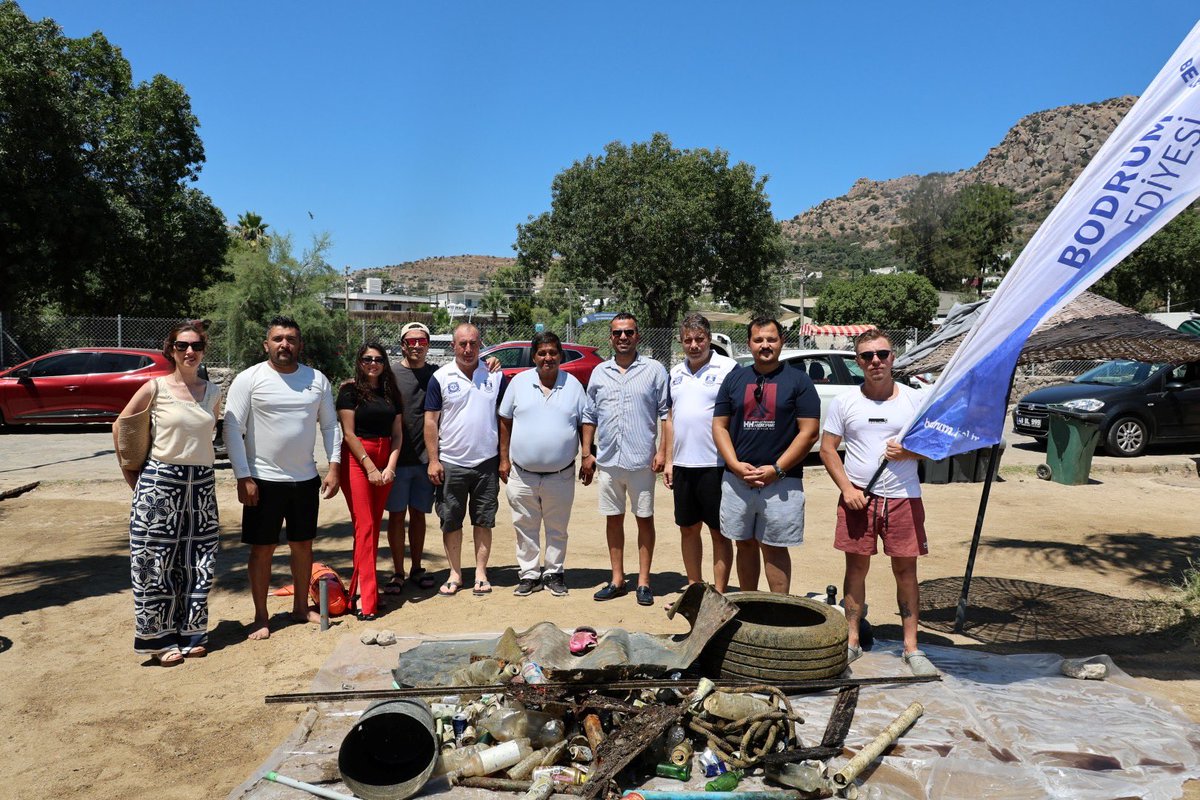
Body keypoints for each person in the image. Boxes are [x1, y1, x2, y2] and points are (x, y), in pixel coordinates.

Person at [819, 329, 937, 677]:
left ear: (893, 358)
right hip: (859, 499)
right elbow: (828, 449)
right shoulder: (845, 402)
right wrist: (846, 489)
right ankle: (852, 641)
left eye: (882, 354)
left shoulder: (915, 400)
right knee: (855, 569)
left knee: (906, 571)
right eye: (867, 356)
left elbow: (934, 446)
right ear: (858, 362)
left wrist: (908, 451)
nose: (875, 362)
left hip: (904, 499)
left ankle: (911, 647)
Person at [224, 316, 342, 640]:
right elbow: (233, 428)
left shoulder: (316, 380)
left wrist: (334, 466)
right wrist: (242, 476)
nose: (284, 344)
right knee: (262, 549)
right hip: (262, 479)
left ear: (300, 345)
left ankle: (301, 608)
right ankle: (261, 616)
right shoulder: (249, 379)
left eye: (291, 339)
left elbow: (331, 426)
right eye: (278, 338)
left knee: (303, 546)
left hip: (304, 480)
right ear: (267, 344)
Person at [116, 320, 221, 665]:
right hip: (160, 485)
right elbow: (122, 427)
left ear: (203, 350)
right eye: (181, 346)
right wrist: (135, 477)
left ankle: (192, 632)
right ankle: (159, 639)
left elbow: (207, 435)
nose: (189, 352)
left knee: (198, 561)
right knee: (154, 563)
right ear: (171, 350)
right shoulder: (155, 388)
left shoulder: (214, 392)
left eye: (195, 346)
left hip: (201, 486)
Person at [713, 317, 820, 594]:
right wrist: (735, 466)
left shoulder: (799, 381)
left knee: (774, 547)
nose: (765, 345)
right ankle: (749, 605)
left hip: (782, 482)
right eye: (758, 340)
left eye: (771, 339)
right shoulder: (735, 378)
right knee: (744, 543)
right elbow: (719, 426)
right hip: (738, 481)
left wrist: (777, 469)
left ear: (781, 341)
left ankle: (778, 611)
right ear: (749, 343)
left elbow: (809, 432)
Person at [581, 313, 669, 606]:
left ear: (637, 336)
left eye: (628, 332)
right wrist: (586, 452)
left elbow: (665, 414)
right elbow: (589, 416)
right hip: (607, 461)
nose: (623, 337)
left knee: (644, 519)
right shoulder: (599, 373)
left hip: (642, 461)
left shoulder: (654, 370)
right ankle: (617, 579)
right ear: (610, 337)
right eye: (617, 333)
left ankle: (643, 582)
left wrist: (662, 452)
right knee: (613, 520)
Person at [498, 331, 594, 597]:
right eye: (542, 353)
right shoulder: (518, 382)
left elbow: (585, 421)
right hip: (522, 473)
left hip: (560, 474)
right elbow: (505, 420)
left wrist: (587, 454)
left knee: (557, 528)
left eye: (553, 352)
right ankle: (529, 574)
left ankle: (554, 573)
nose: (547, 358)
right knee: (524, 526)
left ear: (560, 356)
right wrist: (503, 458)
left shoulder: (573, 385)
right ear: (534, 356)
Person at [424, 322, 506, 597]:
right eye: (462, 344)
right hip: (451, 463)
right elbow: (431, 421)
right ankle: (455, 573)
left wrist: (504, 458)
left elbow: (505, 418)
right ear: (453, 346)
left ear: (480, 344)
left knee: (484, 520)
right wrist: (434, 461)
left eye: (473, 343)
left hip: (486, 463)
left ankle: (481, 573)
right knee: (451, 520)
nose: (468, 349)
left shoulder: (495, 374)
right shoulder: (441, 377)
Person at [663, 313, 738, 592]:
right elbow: (670, 418)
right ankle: (694, 588)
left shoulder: (729, 369)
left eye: (699, 339)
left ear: (709, 339)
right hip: (683, 466)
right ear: (681, 342)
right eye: (688, 340)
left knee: (719, 532)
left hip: (716, 465)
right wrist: (670, 461)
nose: (694, 345)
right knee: (688, 528)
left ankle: (719, 592)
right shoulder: (675, 373)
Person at [337, 342, 404, 621]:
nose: (373, 364)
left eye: (378, 359)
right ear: (359, 361)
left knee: (373, 527)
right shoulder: (349, 391)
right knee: (364, 526)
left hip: (384, 457)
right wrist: (370, 467)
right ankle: (367, 598)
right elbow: (349, 434)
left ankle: (357, 592)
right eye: (367, 359)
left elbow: (397, 434)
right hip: (358, 458)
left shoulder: (390, 392)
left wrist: (389, 467)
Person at [382, 322, 438, 594]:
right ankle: (397, 572)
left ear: (428, 344)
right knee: (396, 516)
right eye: (411, 342)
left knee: (418, 515)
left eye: (421, 341)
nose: (416, 346)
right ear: (402, 345)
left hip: (425, 459)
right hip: (396, 460)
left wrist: (493, 364)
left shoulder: (437, 375)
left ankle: (416, 568)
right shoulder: (389, 374)